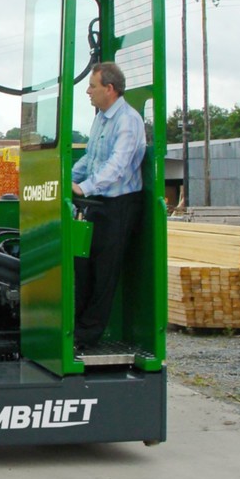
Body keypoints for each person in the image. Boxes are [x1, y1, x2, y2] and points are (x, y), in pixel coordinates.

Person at [71, 62, 146, 349]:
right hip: (97, 202)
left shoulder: (127, 120)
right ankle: (75, 327)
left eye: (92, 86)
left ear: (109, 89)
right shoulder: (101, 118)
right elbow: (91, 159)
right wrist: (66, 178)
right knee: (83, 267)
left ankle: (88, 335)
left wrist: (84, 187)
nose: (88, 91)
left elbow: (117, 166)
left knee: (105, 271)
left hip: (119, 206)